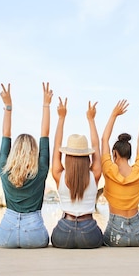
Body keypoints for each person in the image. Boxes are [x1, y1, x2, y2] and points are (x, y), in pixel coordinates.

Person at [0, 82, 53, 248]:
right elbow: (45, 134)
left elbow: (6, 134)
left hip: (6, 234)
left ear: (14, 151)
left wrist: (8, 106)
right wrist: (46, 105)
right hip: (33, 234)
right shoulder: (41, 169)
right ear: (34, 152)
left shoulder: (4, 168)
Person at [101, 98, 139, 247]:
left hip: (116, 232)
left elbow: (104, 139)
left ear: (114, 154)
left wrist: (114, 114)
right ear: (130, 153)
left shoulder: (108, 169)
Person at [50, 98, 103, 249]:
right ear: (87, 157)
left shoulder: (59, 174)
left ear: (67, 156)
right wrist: (91, 120)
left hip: (63, 233)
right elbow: (95, 146)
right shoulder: (95, 175)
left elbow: (56, 147)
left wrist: (61, 118)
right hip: (89, 233)